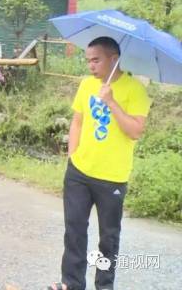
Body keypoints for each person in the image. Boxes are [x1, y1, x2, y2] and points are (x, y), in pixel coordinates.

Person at [47, 37, 151, 290]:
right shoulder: (86, 85)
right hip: (79, 172)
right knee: (74, 230)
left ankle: (104, 285)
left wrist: (112, 102)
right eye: (88, 60)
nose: (91, 66)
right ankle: (71, 283)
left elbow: (135, 131)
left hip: (112, 177)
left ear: (114, 59)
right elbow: (78, 121)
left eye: (96, 60)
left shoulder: (135, 90)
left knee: (108, 238)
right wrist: (72, 154)